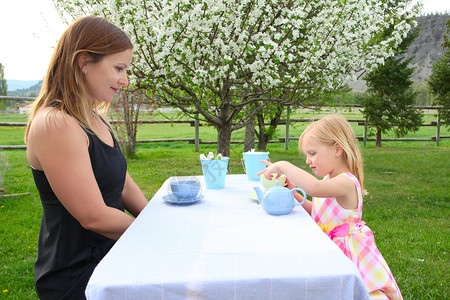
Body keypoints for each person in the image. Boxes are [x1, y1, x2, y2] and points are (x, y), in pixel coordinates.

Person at [24, 16, 148, 299]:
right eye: (118, 68)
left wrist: (157, 219)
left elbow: (124, 185)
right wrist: (153, 234)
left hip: (111, 256)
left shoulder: (96, 118)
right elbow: (93, 217)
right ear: (83, 62)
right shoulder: (55, 124)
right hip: (77, 275)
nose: (125, 80)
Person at [258, 114, 402, 299]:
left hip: (348, 254)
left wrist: (283, 165)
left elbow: (314, 188)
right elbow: (319, 213)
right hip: (330, 248)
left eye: (312, 153)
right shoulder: (329, 179)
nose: (308, 161)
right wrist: (292, 191)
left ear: (337, 149)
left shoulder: (347, 182)